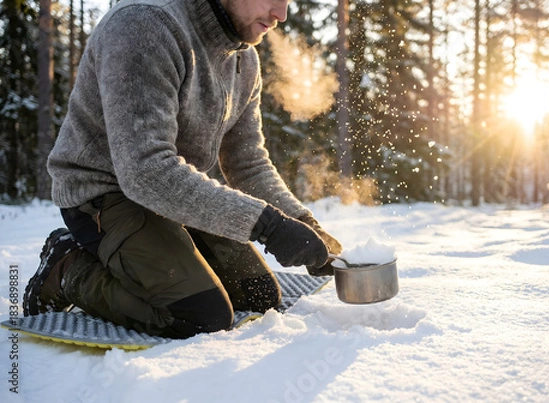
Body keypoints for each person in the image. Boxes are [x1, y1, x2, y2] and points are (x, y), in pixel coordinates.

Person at [23, 0, 342, 339]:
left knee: (259, 297)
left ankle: (160, 247)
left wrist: (302, 223)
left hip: (178, 195)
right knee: (201, 316)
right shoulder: (144, 25)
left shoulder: (243, 57)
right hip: (104, 194)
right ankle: (69, 267)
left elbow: (247, 164)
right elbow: (145, 170)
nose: (282, 14)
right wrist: (267, 226)